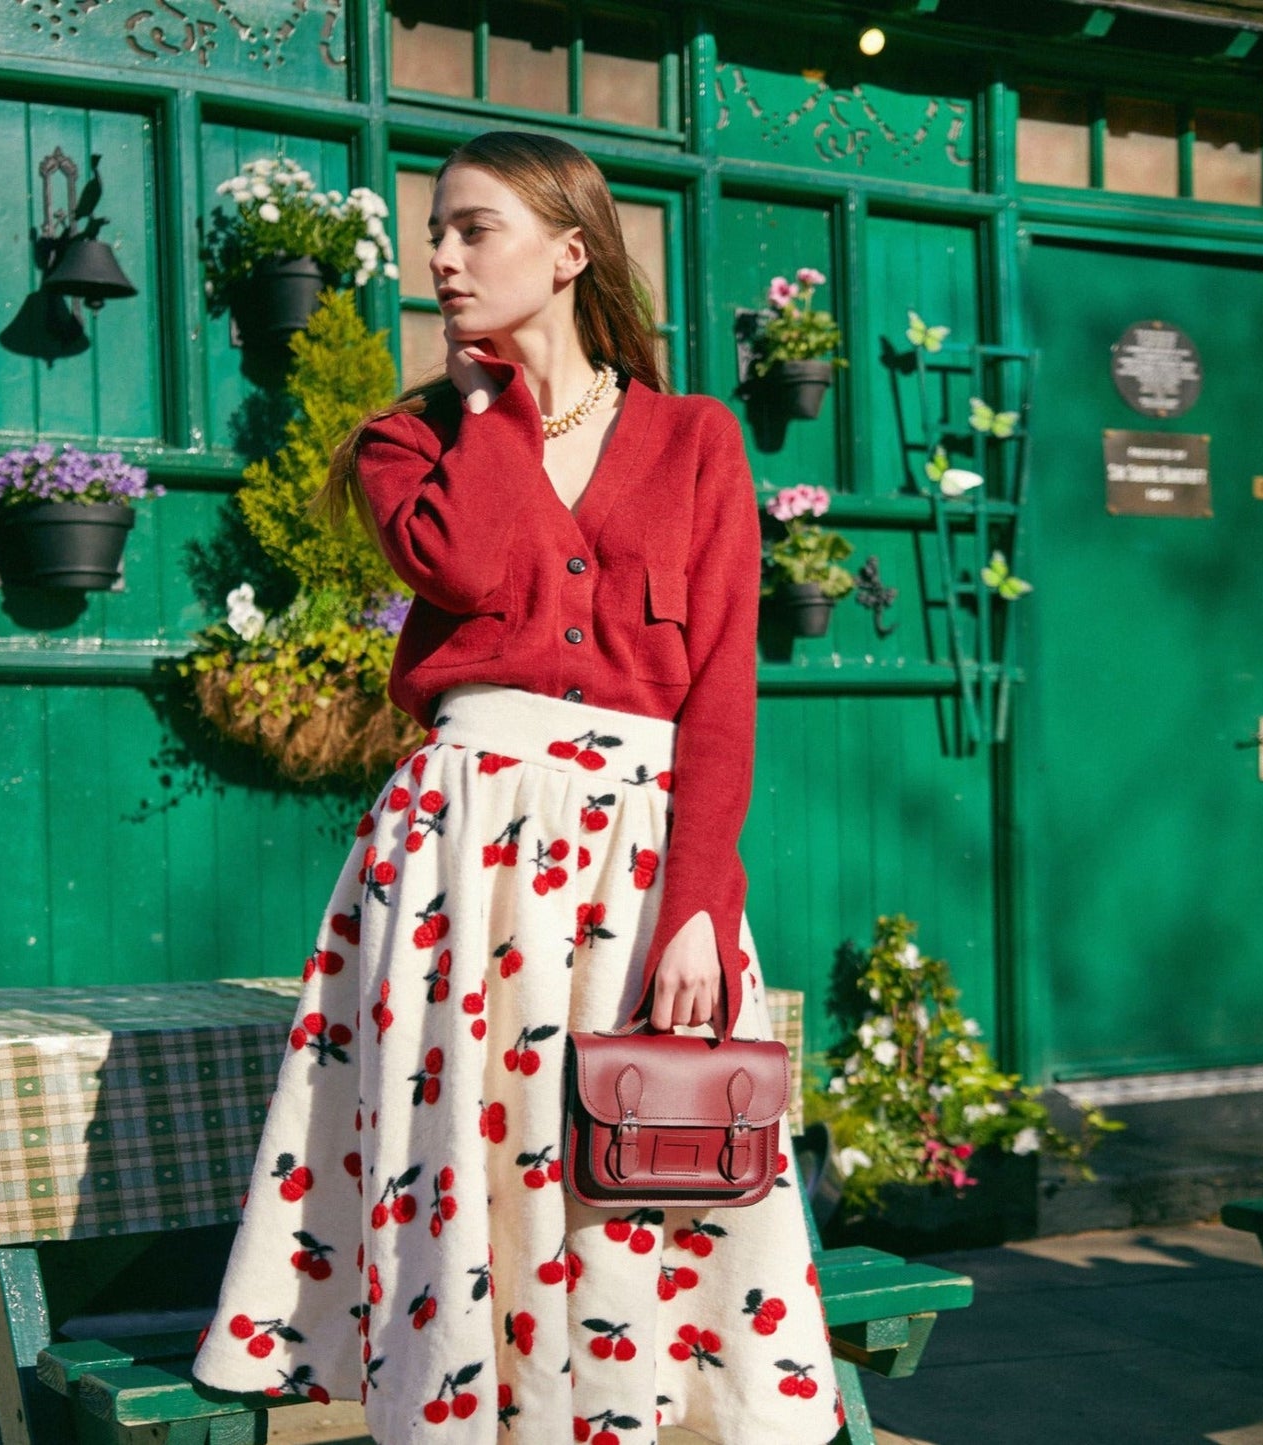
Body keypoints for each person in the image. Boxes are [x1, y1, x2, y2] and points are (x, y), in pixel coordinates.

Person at [192, 130, 843, 1444]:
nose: (440, 256)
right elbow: (472, 568)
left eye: (473, 228)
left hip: (634, 851)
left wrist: (701, 904)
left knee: (619, 1157)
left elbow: (721, 691)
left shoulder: (696, 438)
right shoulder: (408, 441)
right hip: (460, 849)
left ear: (569, 249)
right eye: (434, 231)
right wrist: (491, 411)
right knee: (464, 1161)